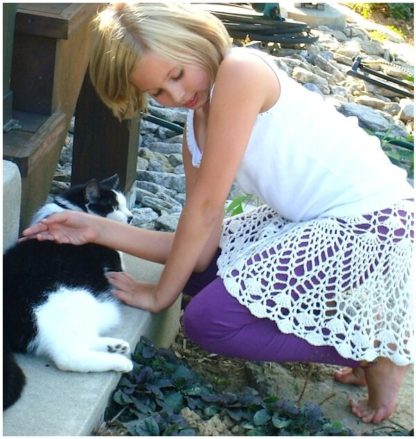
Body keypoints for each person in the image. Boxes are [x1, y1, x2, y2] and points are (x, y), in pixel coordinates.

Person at [23, 2, 414, 424]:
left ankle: (372, 349)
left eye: (175, 75)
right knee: (194, 272)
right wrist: (93, 229)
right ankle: (357, 341)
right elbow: (202, 248)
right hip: (314, 221)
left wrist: (160, 295)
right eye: (156, 92)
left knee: (209, 322)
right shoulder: (196, 122)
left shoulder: (239, 71)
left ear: (195, 39)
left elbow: (207, 210)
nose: (174, 96)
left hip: (372, 225)